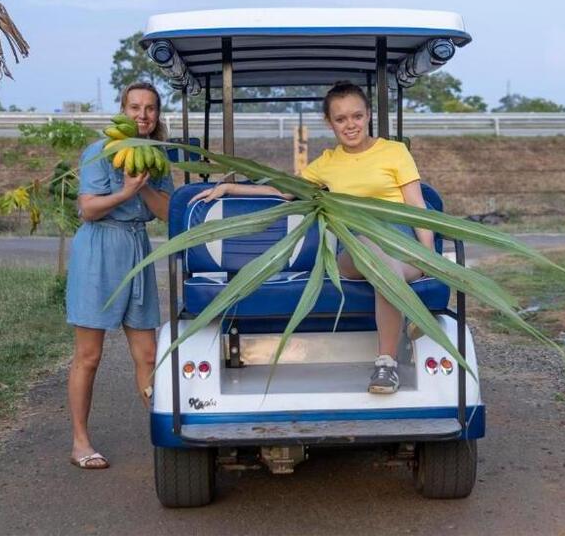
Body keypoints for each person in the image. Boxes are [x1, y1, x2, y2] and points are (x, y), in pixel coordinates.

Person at [191, 81, 433, 394]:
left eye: (357, 116)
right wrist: (230, 187)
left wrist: (429, 258)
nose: (350, 125)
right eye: (341, 119)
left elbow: (416, 206)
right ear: (329, 122)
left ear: (369, 115)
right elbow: (284, 190)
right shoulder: (327, 163)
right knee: (372, 252)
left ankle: (391, 348)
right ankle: (389, 357)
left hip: (402, 247)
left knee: (388, 266)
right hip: (356, 249)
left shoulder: (395, 152)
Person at [65, 82, 173, 469]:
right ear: (122, 111)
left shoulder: (158, 157)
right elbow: (88, 209)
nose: (142, 115)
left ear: (157, 115)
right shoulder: (99, 151)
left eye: (150, 108)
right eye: (134, 107)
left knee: (148, 353)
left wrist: (141, 187)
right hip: (98, 250)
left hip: (137, 249)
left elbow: (167, 213)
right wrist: (125, 192)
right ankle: (80, 442)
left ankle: (166, 436)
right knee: (89, 355)